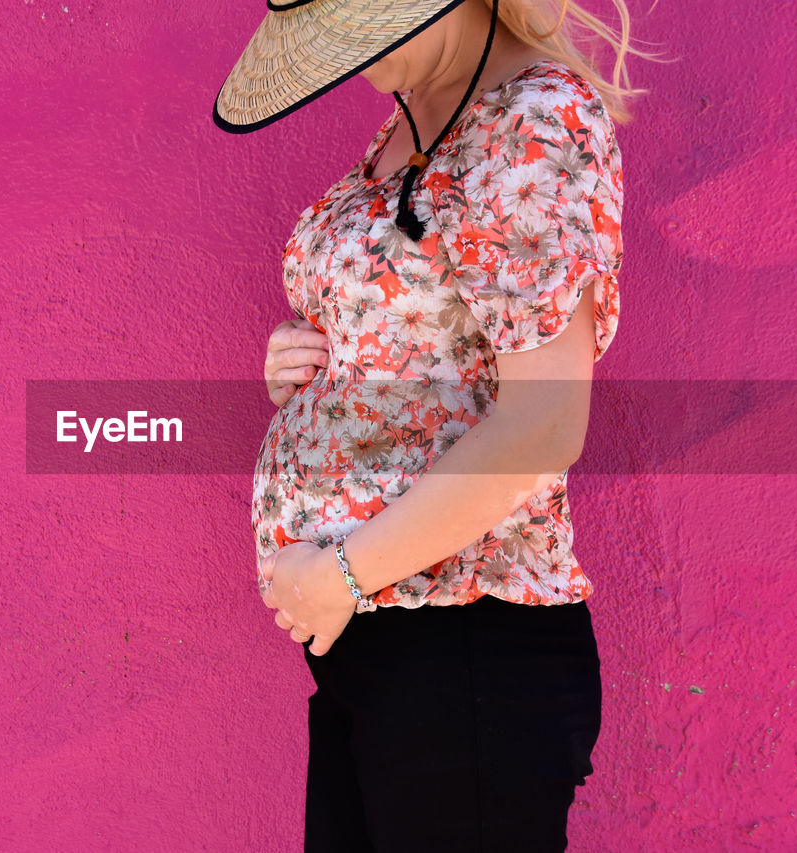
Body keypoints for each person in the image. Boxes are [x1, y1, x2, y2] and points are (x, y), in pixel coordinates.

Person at [212, 0, 659, 850]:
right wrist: (318, 357)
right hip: (388, 644)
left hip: (463, 648)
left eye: (362, 28)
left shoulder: (532, 122)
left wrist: (340, 573)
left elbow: (543, 423)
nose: (352, 60)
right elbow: (430, 328)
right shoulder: (418, 112)